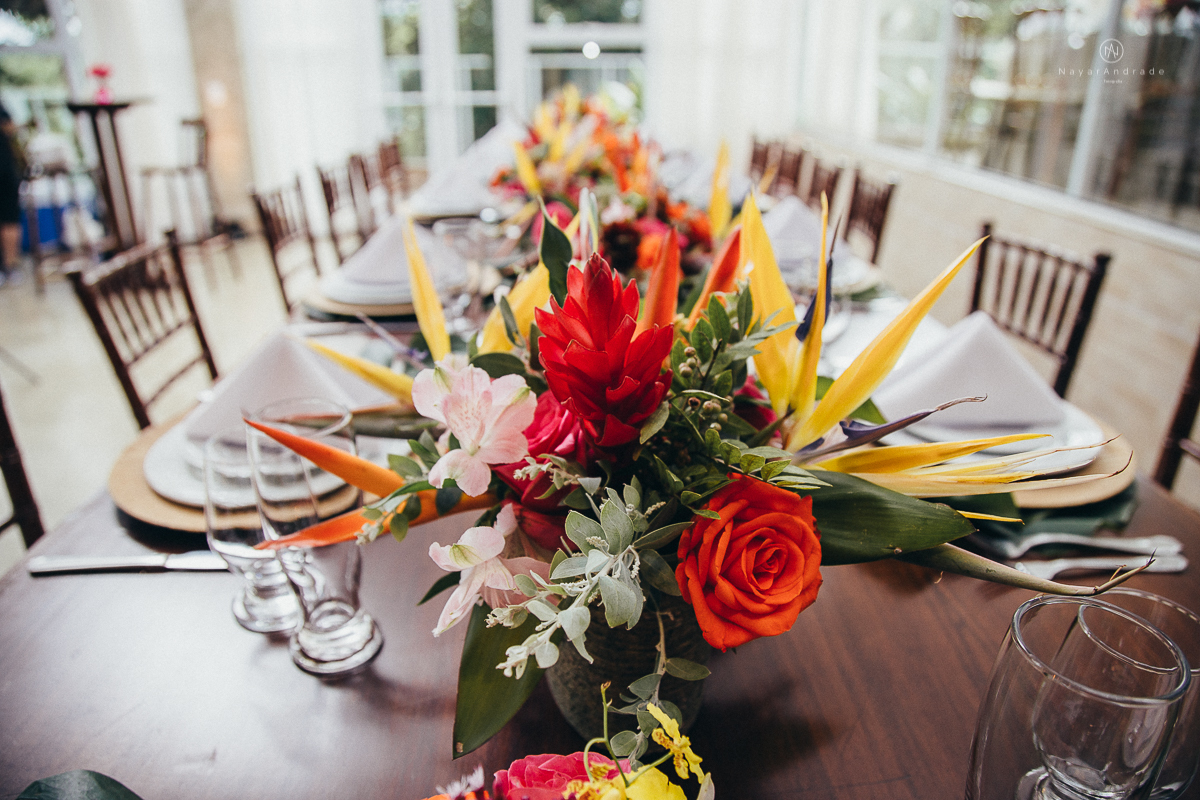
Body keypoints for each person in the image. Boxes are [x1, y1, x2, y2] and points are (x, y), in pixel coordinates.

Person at [0, 103, 24, 282]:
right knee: (9, 220)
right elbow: (9, 126)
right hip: (5, 170)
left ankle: (9, 267)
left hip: (5, 170)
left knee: (9, 220)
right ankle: (9, 267)